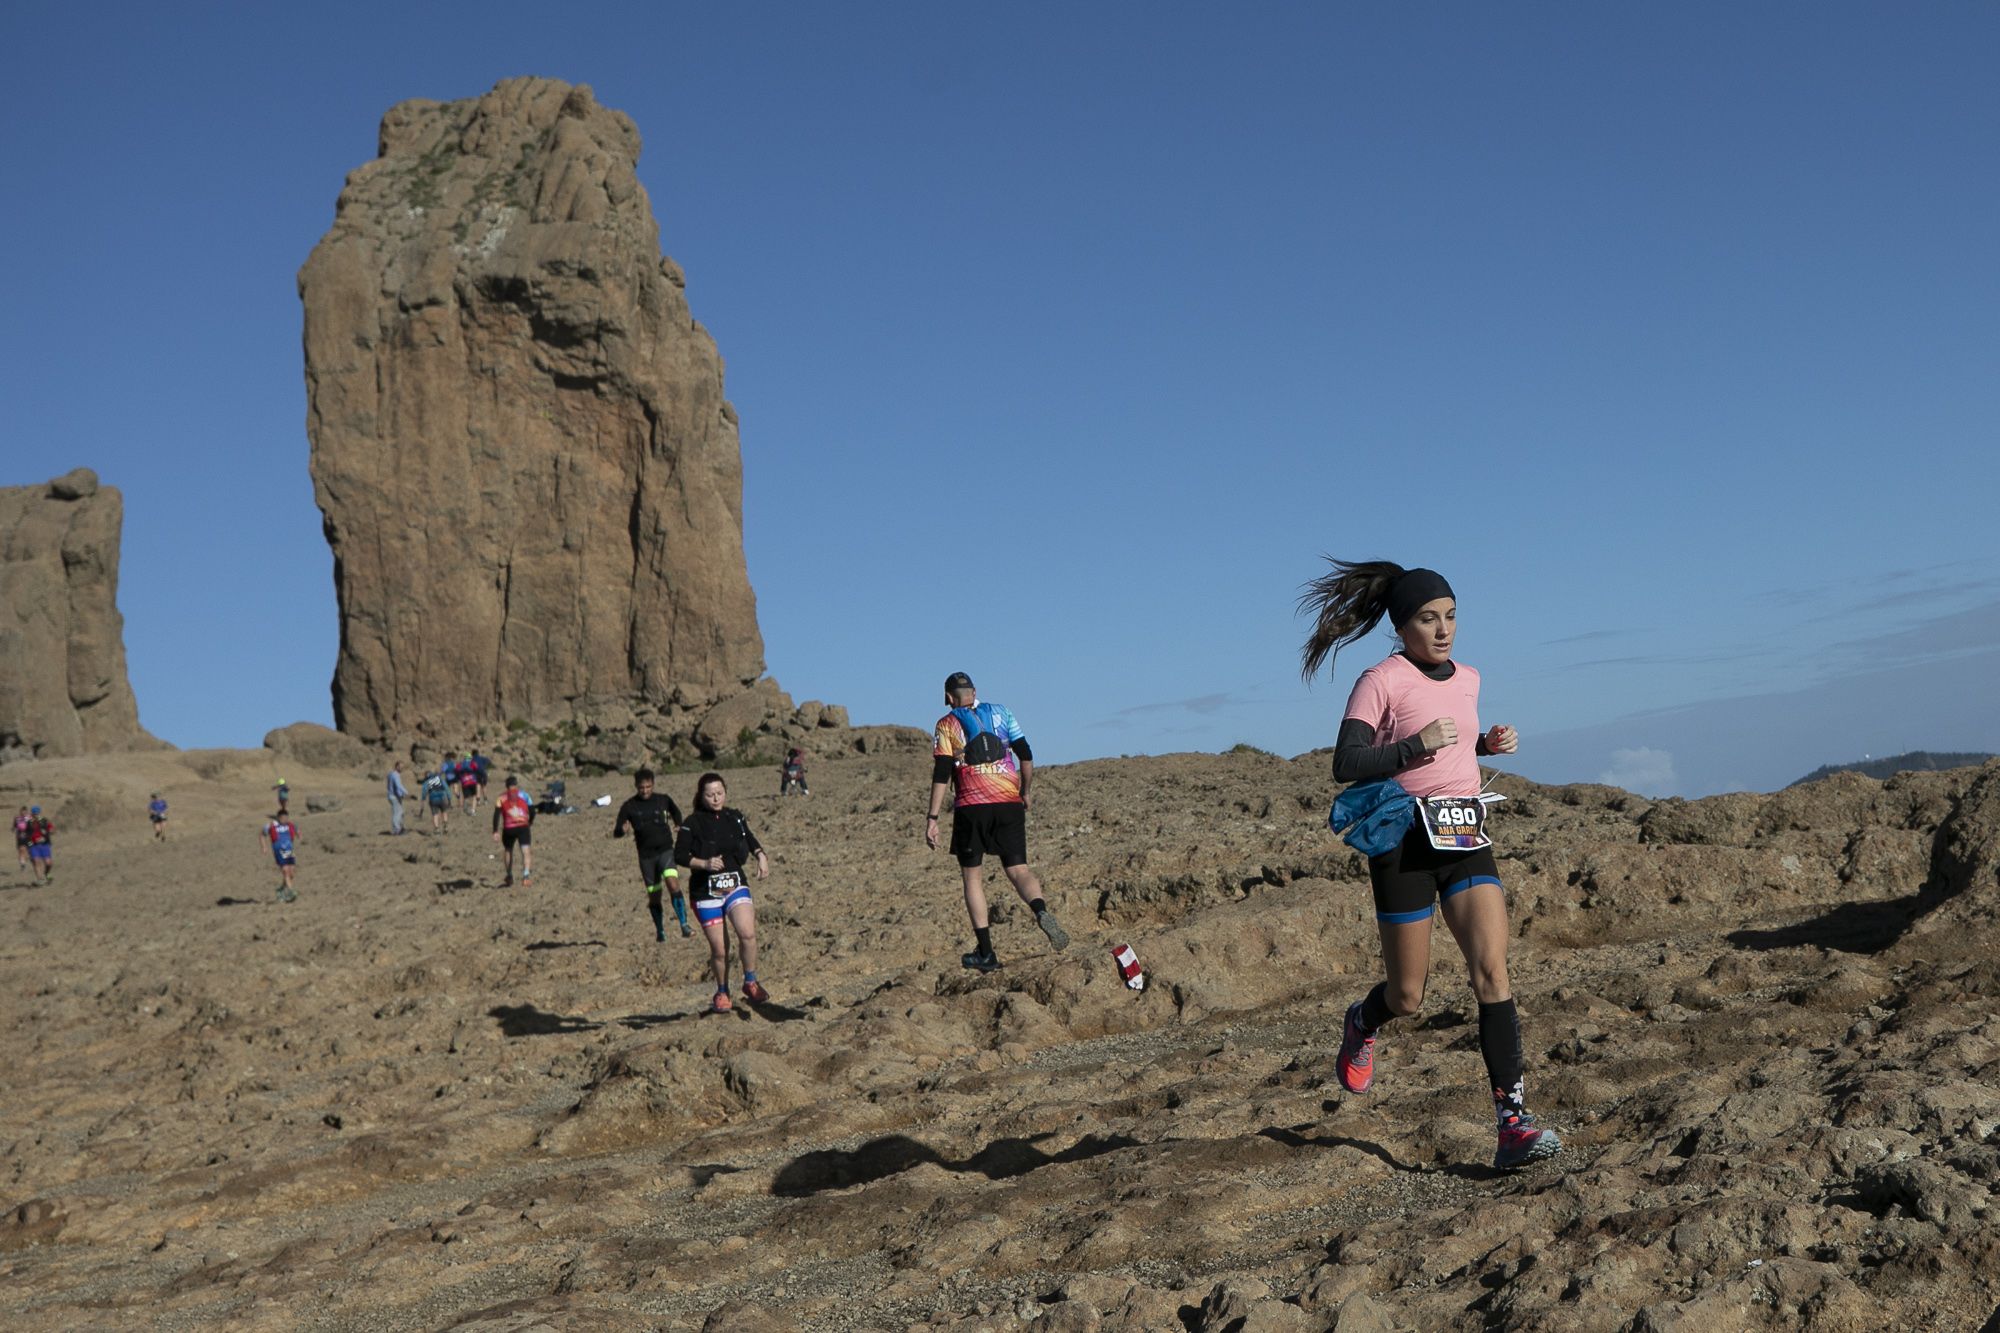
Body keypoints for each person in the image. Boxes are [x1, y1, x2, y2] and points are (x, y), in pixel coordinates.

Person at [1301, 559, 1560, 1171]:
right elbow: (1347, 762)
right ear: (1401, 624)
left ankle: (1512, 1126)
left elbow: (1450, 744)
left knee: (1492, 973)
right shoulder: (1380, 680)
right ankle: (1364, 1019)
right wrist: (1416, 745)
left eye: (1450, 617)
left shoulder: (1468, 677)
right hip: (1403, 844)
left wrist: (1482, 745)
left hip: (1465, 833)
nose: (1443, 630)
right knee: (1408, 995)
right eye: (1428, 619)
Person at [924, 671, 1068, 972]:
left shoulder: (946, 724)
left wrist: (933, 818)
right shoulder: (1002, 712)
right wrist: (1025, 792)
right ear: (974, 693)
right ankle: (1040, 910)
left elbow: (941, 774)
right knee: (1018, 869)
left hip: (971, 809)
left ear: (949, 698)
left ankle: (986, 953)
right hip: (1008, 802)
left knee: (972, 879)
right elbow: (1026, 756)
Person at [674, 773, 769, 1012]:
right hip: (705, 892)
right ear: (701, 796)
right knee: (720, 949)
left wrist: (761, 855)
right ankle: (722, 990)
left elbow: (749, 837)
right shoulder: (692, 822)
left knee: (747, 933)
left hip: (735, 883)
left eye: (719, 793)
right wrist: (704, 864)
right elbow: (680, 855)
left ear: (725, 792)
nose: (716, 798)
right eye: (710, 795)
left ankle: (750, 981)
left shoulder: (735, 817)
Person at [612, 767, 687, 940]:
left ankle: (684, 924)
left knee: (673, 884)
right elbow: (617, 829)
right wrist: (622, 831)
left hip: (665, 850)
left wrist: (678, 823)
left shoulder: (663, 800)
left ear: (653, 785)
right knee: (655, 896)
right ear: (636, 786)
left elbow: (676, 812)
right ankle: (660, 930)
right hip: (646, 857)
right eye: (641, 788)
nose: (645, 791)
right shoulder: (629, 806)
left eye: (648, 787)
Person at [492, 774, 535, 887]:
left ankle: (509, 875)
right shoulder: (525, 795)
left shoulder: (500, 797)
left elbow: (496, 815)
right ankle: (526, 876)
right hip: (523, 826)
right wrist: (530, 821)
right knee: (526, 851)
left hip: (508, 828)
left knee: (508, 850)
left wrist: (495, 831)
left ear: (506, 786)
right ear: (516, 785)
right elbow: (532, 810)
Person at [263, 810, 300, 902]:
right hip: (279, 850)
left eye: (286, 817)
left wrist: (299, 835)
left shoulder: (290, 825)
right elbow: (262, 835)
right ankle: (291, 891)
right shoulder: (272, 825)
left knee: (291, 873)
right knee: (285, 870)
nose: (284, 819)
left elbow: (296, 830)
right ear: (278, 817)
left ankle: (281, 889)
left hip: (288, 850)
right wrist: (264, 847)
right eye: (282, 818)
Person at [25, 807, 53, 884]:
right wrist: (29, 846)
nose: (36, 815)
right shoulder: (28, 823)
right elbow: (26, 835)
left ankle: (46, 873)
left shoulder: (44, 820)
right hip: (33, 845)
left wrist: (46, 835)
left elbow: (51, 829)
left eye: (37, 813)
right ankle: (40, 879)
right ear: (32, 814)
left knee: (48, 863)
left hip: (44, 844)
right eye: (34, 814)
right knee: (36, 861)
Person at [422, 765, 452, 833]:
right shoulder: (440, 779)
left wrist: (423, 798)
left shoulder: (427, 781)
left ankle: (437, 829)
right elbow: (446, 788)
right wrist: (449, 798)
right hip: (442, 797)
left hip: (433, 799)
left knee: (435, 814)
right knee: (444, 812)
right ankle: (445, 826)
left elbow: (424, 791)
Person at [386, 761, 409, 835]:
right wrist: (406, 792)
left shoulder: (391, 774)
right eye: (400, 767)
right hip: (394, 797)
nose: (402, 768)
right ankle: (397, 830)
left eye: (403, 767)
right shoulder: (395, 775)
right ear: (396, 766)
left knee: (400, 812)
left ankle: (400, 828)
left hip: (393, 796)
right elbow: (398, 785)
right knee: (397, 813)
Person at [459, 750, 482, 815]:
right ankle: (473, 810)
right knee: (474, 796)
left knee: (466, 796)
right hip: (472, 781)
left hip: (464, 782)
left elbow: (457, 770)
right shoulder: (472, 763)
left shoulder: (461, 764)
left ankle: (465, 806)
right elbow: (477, 769)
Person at [14, 806, 30, 874]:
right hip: (19, 836)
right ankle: (22, 864)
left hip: (28, 836)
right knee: (21, 850)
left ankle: (25, 861)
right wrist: (14, 829)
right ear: (20, 812)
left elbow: (32, 827)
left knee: (26, 850)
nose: (23, 812)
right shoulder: (17, 818)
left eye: (25, 811)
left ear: (26, 812)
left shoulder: (29, 818)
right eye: (22, 811)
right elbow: (14, 826)